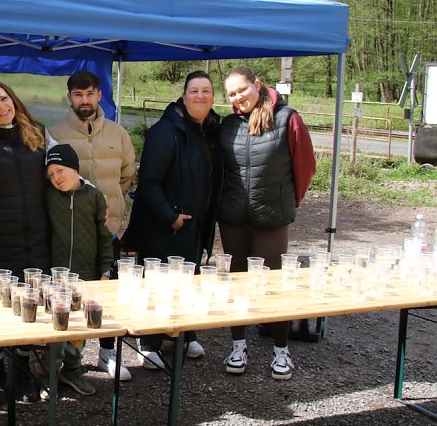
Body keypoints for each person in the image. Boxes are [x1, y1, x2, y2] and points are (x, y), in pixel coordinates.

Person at [218, 66, 315, 380]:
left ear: (257, 85)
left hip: (271, 217)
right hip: (233, 217)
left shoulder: (288, 119)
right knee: (238, 281)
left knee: (273, 284)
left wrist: (286, 200)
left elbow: (305, 167)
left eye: (241, 90)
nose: (238, 98)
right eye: (232, 94)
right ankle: (238, 346)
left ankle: (281, 351)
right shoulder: (227, 125)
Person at [122, 71, 223, 370]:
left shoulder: (209, 131)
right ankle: (148, 341)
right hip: (164, 225)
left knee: (187, 279)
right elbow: (149, 182)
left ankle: (184, 332)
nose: (200, 96)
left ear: (213, 97)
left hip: (196, 224)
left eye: (206, 91)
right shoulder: (166, 131)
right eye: (194, 91)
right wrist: (171, 217)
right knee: (158, 282)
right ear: (183, 95)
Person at [48, 70, 136, 380]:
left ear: (100, 95)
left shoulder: (118, 134)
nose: (84, 101)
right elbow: (51, 178)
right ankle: (66, 359)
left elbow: (127, 174)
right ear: (70, 98)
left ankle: (107, 354)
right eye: (78, 95)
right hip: (71, 232)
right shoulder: (55, 133)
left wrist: (112, 203)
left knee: (107, 292)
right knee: (69, 296)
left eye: (90, 94)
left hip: (108, 229)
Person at [0, 81, 49, 404]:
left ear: (13, 100)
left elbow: (62, 171)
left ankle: (25, 373)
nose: (1, 107)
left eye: (4, 99)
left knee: (28, 305)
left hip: (36, 238)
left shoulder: (38, 132)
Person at [44, 144, 114, 396]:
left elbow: (105, 236)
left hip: (87, 273)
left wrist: (106, 269)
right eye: (50, 174)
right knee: (56, 325)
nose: (56, 178)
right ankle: (50, 373)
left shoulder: (94, 196)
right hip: (56, 275)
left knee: (79, 328)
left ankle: (72, 369)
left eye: (60, 170)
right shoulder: (49, 196)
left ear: (75, 169)